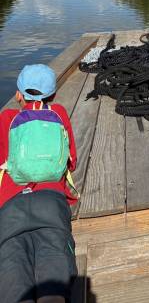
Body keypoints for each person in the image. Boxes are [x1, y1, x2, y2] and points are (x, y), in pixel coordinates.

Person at [0, 64, 78, 303]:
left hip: (10, 204)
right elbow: (71, 161)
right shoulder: (59, 114)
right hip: (52, 201)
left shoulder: (5, 118)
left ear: (18, 95)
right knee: (54, 255)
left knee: (10, 261)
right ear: (53, 96)